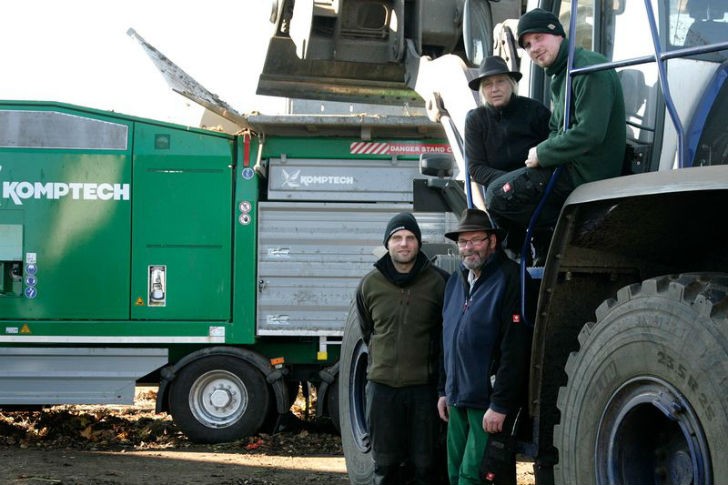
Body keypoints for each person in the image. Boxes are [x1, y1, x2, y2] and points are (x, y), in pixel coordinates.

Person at [484, 8, 626, 262]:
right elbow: (556, 128)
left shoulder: (587, 69)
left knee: (497, 196)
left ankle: (518, 259)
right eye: (527, 45)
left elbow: (590, 132)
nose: (534, 48)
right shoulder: (561, 74)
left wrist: (542, 153)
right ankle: (542, 245)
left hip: (585, 173)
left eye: (538, 38)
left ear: (557, 34)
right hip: (572, 166)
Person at [437, 208, 532, 485]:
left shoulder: (510, 278)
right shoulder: (455, 282)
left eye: (476, 240)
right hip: (456, 399)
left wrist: (501, 404)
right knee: (455, 474)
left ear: (492, 241)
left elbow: (515, 349)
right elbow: (448, 340)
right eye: (463, 242)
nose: (469, 248)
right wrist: (444, 389)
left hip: (486, 403)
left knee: (474, 477)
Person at [356, 212, 450, 485]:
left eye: (410, 238)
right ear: (387, 244)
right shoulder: (369, 284)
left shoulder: (439, 282)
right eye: (397, 238)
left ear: (419, 243)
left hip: (424, 390)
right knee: (385, 465)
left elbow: (446, 336)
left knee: (426, 465)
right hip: (382, 389)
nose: (404, 243)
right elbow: (368, 331)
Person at [464, 55, 550, 192]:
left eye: (500, 81)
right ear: (482, 91)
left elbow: (552, 150)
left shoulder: (536, 111)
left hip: (538, 188)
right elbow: (476, 168)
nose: (494, 89)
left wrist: (528, 181)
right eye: (487, 84)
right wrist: (512, 182)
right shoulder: (475, 120)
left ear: (512, 84)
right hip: (500, 191)